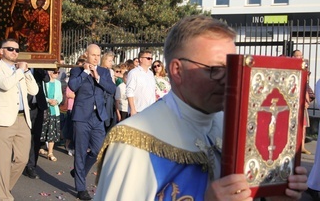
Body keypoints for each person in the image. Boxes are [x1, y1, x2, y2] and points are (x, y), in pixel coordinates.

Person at [95, 16, 308, 200]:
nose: (230, 80)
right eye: (216, 69)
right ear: (177, 70)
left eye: (234, 68)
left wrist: (272, 195)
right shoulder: (135, 143)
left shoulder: (232, 126)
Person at [0, 39, 39, 200]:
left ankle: (4, 188)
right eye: (10, 49)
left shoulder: (20, 70)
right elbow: (5, 84)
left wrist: (26, 72)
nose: (14, 52)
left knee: (22, 159)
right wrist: (19, 72)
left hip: (23, 119)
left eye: (17, 50)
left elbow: (34, 90)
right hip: (4, 121)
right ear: (1, 51)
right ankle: (4, 197)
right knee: (3, 162)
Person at [68, 44, 116, 200]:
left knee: (98, 150)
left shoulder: (104, 72)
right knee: (80, 153)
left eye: (98, 55)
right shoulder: (77, 71)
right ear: (86, 55)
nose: (96, 58)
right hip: (82, 117)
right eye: (93, 55)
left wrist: (98, 77)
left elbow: (112, 89)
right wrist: (86, 72)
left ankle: (78, 172)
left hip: (98, 117)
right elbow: (72, 86)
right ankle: (81, 188)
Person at [24, 68, 49, 179]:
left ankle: (31, 166)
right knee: (24, 137)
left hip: (38, 106)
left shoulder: (38, 68)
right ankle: (21, 161)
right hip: (25, 106)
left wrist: (40, 70)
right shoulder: (20, 67)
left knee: (36, 137)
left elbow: (47, 79)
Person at [40, 69, 63, 162]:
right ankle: (40, 147)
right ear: (49, 72)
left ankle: (50, 152)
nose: (57, 74)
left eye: (58, 72)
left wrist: (56, 101)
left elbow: (60, 96)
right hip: (45, 110)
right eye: (55, 72)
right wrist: (48, 100)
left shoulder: (58, 83)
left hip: (55, 110)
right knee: (43, 130)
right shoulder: (43, 82)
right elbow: (41, 95)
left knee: (52, 132)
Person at [126, 50, 156, 116]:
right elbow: (129, 91)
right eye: (148, 58)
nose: (150, 60)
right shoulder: (133, 73)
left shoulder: (150, 73)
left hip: (150, 110)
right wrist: (133, 109)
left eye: (151, 58)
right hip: (138, 110)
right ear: (141, 59)